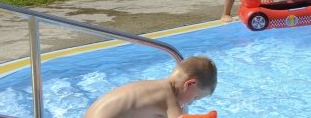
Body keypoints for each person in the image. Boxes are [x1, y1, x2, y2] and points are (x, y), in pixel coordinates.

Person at [84, 56, 216, 118]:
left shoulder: (153, 86)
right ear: (189, 84)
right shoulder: (169, 100)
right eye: (195, 98)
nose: (190, 103)